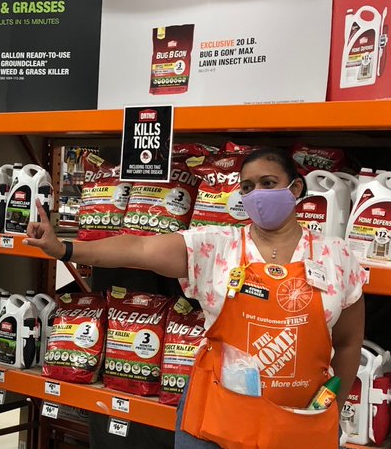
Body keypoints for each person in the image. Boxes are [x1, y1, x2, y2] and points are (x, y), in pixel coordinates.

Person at [25, 147, 366, 449]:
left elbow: (349, 342)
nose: (257, 195)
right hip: (217, 414)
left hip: (300, 419)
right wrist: (65, 248)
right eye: (248, 187)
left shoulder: (336, 257)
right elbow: (138, 247)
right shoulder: (216, 246)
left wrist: (332, 404)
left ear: (295, 189)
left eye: (268, 183)